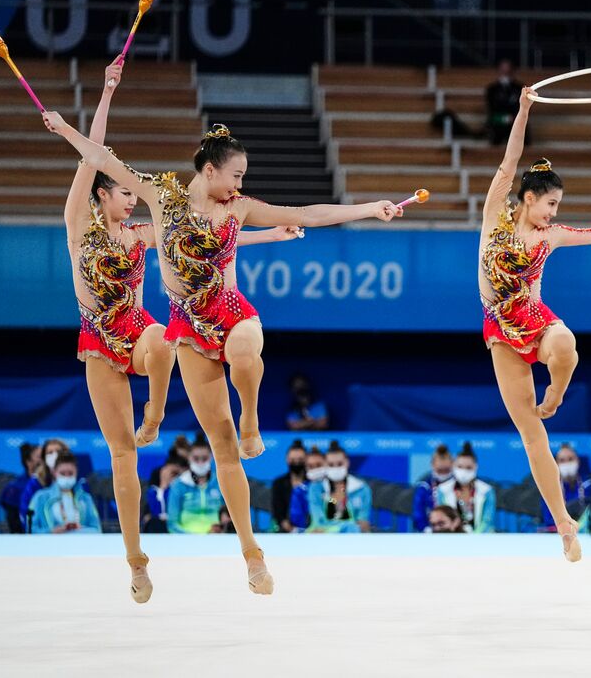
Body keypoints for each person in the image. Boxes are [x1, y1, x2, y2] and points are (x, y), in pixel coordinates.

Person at [46, 112, 402, 594]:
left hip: (232, 313)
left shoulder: (237, 208)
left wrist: (367, 209)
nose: (240, 185)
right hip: (185, 330)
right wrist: (68, 129)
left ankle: (251, 418)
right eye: (236, 175)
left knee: (243, 352)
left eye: (243, 178)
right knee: (221, 448)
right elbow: (100, 157)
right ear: (209, 170)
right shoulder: (161, 201)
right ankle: (227, 558)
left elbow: (305, 213)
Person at [65, 60, 297, 601]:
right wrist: (106, 91)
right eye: (121, 194)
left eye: (132, 194)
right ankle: (136, 561)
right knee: (122, 456)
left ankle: (155, 412)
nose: (130, 199)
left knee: (165, 342)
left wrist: (273, 237)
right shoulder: (78, 226)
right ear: (103, 195)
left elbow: (205, 242)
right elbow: (94, 154)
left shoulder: (145, 233)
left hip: (138, 326)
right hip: (98, 340)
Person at [478, 87, 591, 559]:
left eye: (558, 206)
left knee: (566, 344)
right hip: (501, 330)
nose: (555, 213)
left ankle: (556, 393)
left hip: (536, 317)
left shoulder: (551, 235)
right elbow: (510, 157)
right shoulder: (496, 214)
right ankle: (563, 521)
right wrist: (522, 110)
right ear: (528, 198)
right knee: (530, 434)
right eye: (551, 204)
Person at [28, 451, 101, 535]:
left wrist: (80, 530)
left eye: (70, 473)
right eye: (62, 473)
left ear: (76, 472)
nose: (66, 477)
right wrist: (51, 531)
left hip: (81, 544)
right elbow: (31, 530)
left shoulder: (85, 498)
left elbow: (97, 529)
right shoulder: (40, 497)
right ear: (54, 472)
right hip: (49, 545)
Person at [306, 442, 372, 533]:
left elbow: (362, 522)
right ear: (325, 464)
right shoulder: (316, 488)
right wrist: (338, 529)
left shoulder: (361, 489)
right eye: (331, 465)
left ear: (347, 463)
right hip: (323, 536)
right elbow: (318, 522)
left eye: (340, 464)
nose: (335, 468)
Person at [166, 434, 224, 535]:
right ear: (189, 458)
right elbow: (172, 523)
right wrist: (191, 538)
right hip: (185, 541)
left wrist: (223, 529)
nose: (200, 463)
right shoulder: (178, 484)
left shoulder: (221, 482)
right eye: (196, 458)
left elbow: (229, 516)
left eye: (204, 458)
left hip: (216, 538)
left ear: (211, 457)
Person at [436, 443, 496, 534]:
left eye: (468, 468)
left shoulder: (486, 491)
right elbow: (442, 519)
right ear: (454, 466)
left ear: (475, 467)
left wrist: (474, 538)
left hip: (482, 539)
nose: (463, 471)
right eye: (460, 467)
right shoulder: (443, 490)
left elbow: (487, 521)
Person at [541, 443, 591, 532]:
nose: (567, 463)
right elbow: (548, 520)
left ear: (578, 461)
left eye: (570, 459)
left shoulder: (589, 484)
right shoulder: (549, 487)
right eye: (562, 460)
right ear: (556, 463)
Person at [20, 438, 71, 524]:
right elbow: (27, 516)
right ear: (44, 458)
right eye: (50, 453)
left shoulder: (76, 483)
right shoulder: (35, 483)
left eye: (58, 451)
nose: (55, 455)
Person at [412, 444, 455, 532]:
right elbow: (418, 512)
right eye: (440, 470)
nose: (443, 474)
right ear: (432, 465)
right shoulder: (425, 487)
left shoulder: (460, 485)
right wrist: (425, 528)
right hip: (431, 529)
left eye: (446, 470)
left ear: (452, 465)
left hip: (455, 529)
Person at [0, 442, 38, 534]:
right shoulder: (15, 488)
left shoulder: (54, 487)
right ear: (28, 461)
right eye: (40, 457)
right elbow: (15, 528)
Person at [288, 446, 327, 532]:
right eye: (310, 466)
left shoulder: (337, 487)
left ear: (326, 464)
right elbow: (297, 519)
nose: (315, 469)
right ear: (306, 468)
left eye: (318, 465)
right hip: (310, 533)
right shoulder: (299, 491)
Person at [271, 440, 307, 532]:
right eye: (293, 460)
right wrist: (291, 529)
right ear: (287, 459)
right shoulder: (279, 483)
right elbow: (277, 511)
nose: (296, 463)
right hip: (285, 530)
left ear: (306, 459)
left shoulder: (312, 482)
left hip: (310, 529)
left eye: (300, 459)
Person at [485, 58, 522, 145]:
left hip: (515, 122)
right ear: (499, 71)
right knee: (496, 131)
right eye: (503, 70)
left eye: (508, 70)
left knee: (520, 130)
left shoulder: (519, 88)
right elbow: (491, 108)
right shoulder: (492, 89)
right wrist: (504, 119)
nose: (505, 72)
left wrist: (513, 118)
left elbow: (520, 107)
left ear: (512, 71)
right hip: (498, 122)